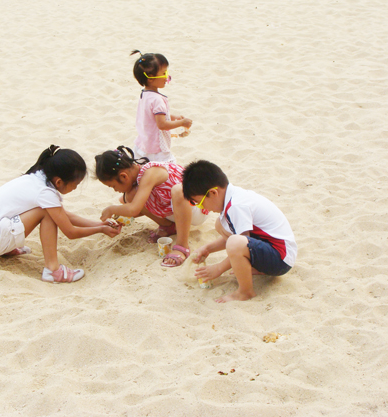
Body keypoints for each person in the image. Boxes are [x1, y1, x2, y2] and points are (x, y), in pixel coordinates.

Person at [0, 145, 121, 283]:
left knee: (47, 211)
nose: (75, 188)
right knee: (45, 213)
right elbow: (70, 231)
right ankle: (53, 270)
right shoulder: (45, 193)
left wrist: (99, 224)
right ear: (59, 182)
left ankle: (8, 248)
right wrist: (100, 229)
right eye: (75, 184)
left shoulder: (37, 177)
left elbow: (62, 214)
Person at [181, 160, 297, 303]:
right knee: (220, 225)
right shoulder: (233, 197)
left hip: (280, 259)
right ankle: (255, 267)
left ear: (213, 192)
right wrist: (208, 248)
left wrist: (218, 268)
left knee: (234, 242)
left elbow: (238, 244)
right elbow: (240, 240)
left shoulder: (236, 206)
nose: (200, 207)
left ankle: (245, 292)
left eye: (199, 202)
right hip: (274, 249)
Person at [95, 146, 207, 267]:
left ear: (123, 176)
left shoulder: (151, 172)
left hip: (196, 208)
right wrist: (120, 218)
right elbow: (135, 211)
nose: (115, 190)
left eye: (113, 186)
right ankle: (168, 226)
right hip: (174, 211)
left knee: (178, 191)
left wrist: (111, 209)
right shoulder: (137, 179)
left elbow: (134, 209)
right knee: (127, 198)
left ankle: (182, 246)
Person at [130, 50, 193, 163]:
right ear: (150, 78)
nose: (167, 76)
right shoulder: (157, 99)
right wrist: (182, 123)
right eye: (163, 73)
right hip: (156, 150)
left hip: (143, 144)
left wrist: (174, 117)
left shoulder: (144, 94)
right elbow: (162, 124)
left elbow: (152, 115)